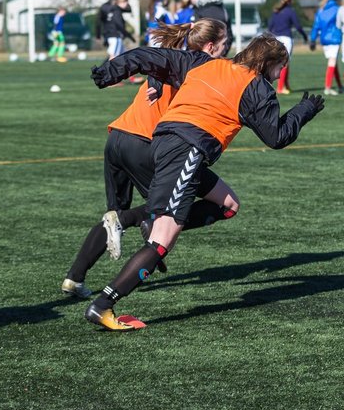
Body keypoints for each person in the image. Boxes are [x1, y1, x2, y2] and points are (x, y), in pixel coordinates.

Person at [84, 34, 325, 330]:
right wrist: (304, 111)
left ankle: (140, 218)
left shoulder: (204, 63)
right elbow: (276, 137)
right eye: (280, 68)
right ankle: (103, 305)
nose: (279, 75)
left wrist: (111, 71)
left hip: (164, 142)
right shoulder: (257, 87)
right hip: (187, 149)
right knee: (163, 240)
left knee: (228, 204)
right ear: (268, 63)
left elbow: (150, 57)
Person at [61, 19, 231, 298]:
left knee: (112, 216)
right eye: (225, 46)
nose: (226, 52)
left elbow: (154, 66)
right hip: (144, 143)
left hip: (117, 138)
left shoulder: (172, 61)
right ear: (211, 47)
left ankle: (74, 278)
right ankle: (143, 229)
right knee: (164, 209)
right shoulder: (197, 70)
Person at [266, 0, 309, 94]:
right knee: (285, 63)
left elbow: (270, 26)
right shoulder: (290, 11)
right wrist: (304, 35)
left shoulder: (276, 11)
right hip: (286, 38)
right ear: (290, 1)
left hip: (276, 38)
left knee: (280, 63)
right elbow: (297, 26)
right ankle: (280, 88)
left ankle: (286, 85)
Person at [308, 0, 344, 94]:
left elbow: (316, 26)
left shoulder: (321, 10)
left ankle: (340, 86)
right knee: (332, 62)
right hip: (334, 38)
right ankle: (327, 87)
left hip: (324, 39)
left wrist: (313, 39)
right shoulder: (338, 9)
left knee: (333, 62)